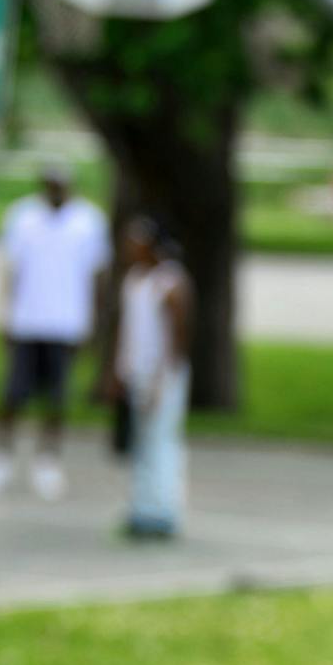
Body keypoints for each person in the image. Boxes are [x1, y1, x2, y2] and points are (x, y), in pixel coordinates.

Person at [0, 161, 110, 500]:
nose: (55, 190)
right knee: (12, 394)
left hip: (66, 324)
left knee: (57, 398)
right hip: (27, 321)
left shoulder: (88, 221)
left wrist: (93, 324)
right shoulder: (23, 215)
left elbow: (97, 277)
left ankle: (48, 461)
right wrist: (4, 315)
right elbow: (10, 270)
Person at [101, 217, 194, 538]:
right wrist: (118, 371)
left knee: (162, 442)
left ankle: (164, 511)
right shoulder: (134, 281)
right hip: (136, 374)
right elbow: (127, 333)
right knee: (140, 443)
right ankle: (141, 508)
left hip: (162, 378)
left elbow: (176, 339)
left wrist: (161, 380)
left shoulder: (170, 283)